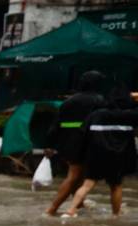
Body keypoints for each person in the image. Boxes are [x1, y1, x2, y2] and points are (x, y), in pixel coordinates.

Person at [65, 88, 136, 217]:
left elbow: (83, 134)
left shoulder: (97, 114)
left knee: (87, 185)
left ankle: (71, 210)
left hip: (96, 155)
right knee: (115, 186)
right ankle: (116, 215)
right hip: (117, 157)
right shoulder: (130, 115)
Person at [44, 71, 107, 216]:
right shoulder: (99, 100)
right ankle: (52, 209)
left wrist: (50, 145)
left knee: (76, 175)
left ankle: (79, 205)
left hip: (67, 144)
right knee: (74, 176)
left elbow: (55, 125)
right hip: (87, 143)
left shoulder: (68, 101)